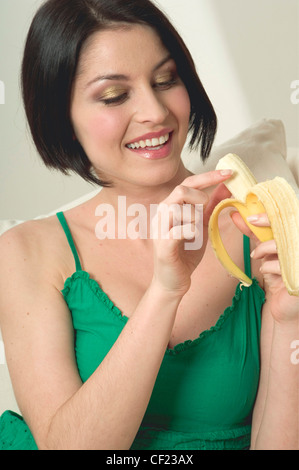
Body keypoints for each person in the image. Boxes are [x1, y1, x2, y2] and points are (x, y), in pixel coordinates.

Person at [0, 0, 298, 451]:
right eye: (115, 96)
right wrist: (166, 290)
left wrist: (289, 316)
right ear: (63, 118)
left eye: (165, 80)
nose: (155, 112)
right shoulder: (27, 252)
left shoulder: (255, 226)